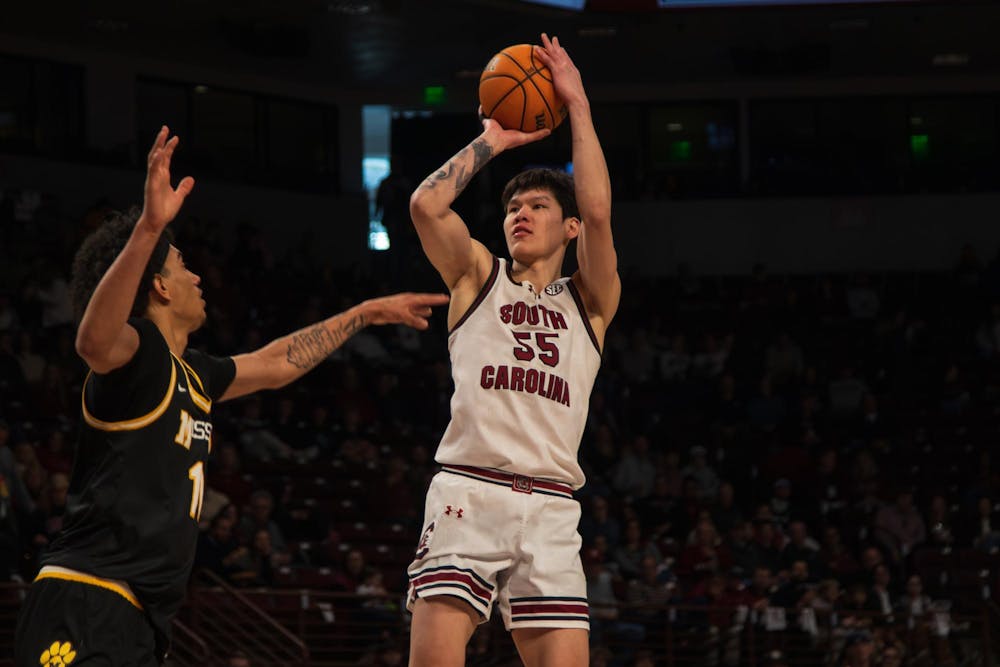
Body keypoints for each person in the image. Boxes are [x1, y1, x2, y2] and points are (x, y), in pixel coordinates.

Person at [14, 126, 449, 666]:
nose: (198, 276)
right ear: (161, 288)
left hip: (139, 618)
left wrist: (361, 314)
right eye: (183, 267)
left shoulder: (192, 373)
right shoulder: (139, 357)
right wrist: (151, 228)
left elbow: (272, 364)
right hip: (86, 599)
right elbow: (93, 340)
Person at [405, 33, 620, 667]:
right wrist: (495, 141)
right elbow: (424, 204)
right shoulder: (479, 276)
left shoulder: (589, 304)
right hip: (468, 492)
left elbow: (602, 214)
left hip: (553, 507)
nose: (519, 214)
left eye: (537, 206)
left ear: (568, 226)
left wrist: (577, 105)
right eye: (512, 207)